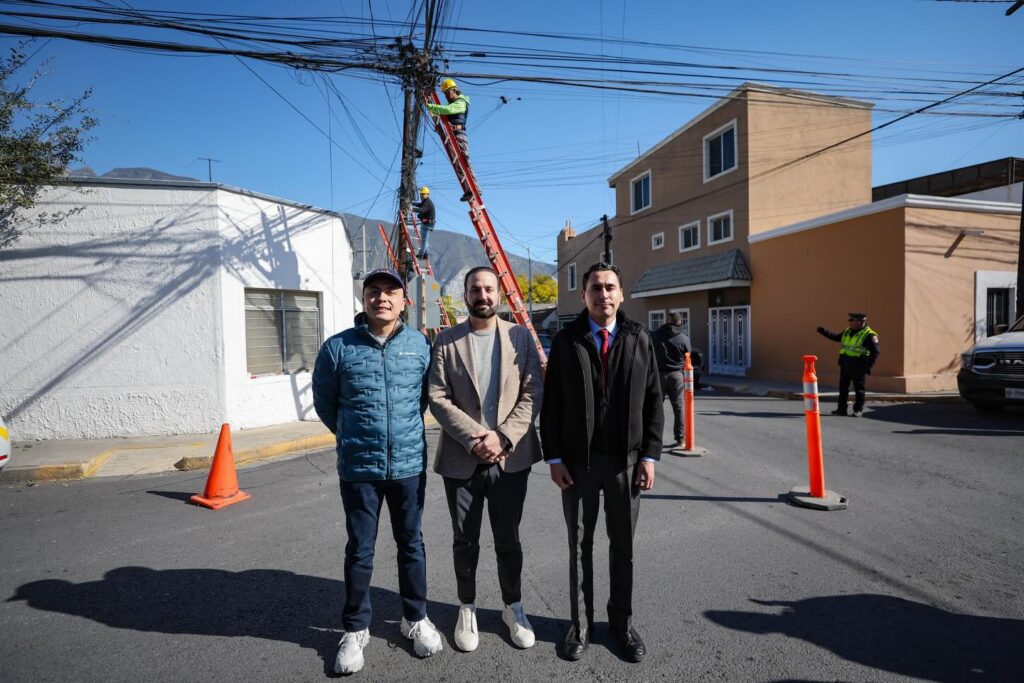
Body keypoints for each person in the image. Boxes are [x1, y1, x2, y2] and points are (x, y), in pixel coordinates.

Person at [312, 267, 442, 675]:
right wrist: (354, 435)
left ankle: (415, 618)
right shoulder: (338, 348)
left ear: (405, 300)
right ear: (363, 299)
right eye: (374, 292)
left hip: (407, 465)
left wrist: (399, 434)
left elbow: (424, 399)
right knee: (360, 550)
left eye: (391, 292)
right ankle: (355, 628)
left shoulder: (421, 346)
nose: (382, 298)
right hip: (358, 468)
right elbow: (325, 403)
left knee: (412, 545)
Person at [540, 262, 663, 664]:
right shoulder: (566, 341)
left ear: (621, 294)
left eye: (610, 287)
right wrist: (554, 457)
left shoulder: (639, 338)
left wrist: (649, 455)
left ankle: (621, 625)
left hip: (625, 466)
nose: (603, 294)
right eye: (595, 287)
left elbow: (653, 402)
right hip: (578, 466)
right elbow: (552, 405)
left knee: (622, 547)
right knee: (579, 547)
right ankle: (580, 626)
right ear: (584, 296)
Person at [428, 266, 544, 653]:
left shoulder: (520, 338)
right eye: (475, 288)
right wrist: (476, 437)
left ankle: (513, 607)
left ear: (499, 295)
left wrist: (503, 437)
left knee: (508, 539)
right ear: (465, 294)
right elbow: (437, 396)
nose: (483, 294)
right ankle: (467, 607)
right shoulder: (446, 340)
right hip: (462, 459)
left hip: (510, 458)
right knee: (465, 539)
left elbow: (532, 394)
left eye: (489, 288)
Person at [816, 313, 880, 417]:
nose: (849, 322)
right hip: (845, 363)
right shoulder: (847, 331)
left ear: (859, 322)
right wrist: (824, 332)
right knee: (843, 388)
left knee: (859, 389)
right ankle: (841, 409)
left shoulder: (869, 335)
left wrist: (868, 366)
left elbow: (875, 352)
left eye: (851, 321)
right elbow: (836, 337)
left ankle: (858, 410)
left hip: (859, 364)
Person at [426, 78, 473, 202]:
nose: (446, 96)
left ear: (454, 90)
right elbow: (444, 112)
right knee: (458, 164)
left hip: (459, 135)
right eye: (444, 94)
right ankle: (468, 190)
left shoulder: (460, 102)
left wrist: (432, 106)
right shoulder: (453, 103)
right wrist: (434, 109)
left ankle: (474, 190)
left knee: (464, 162)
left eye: (447, 93)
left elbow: (448, 110)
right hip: (454, 134)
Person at [652, 312, 693, 448]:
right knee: (678, 407)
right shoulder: (684, 339)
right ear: (680, 322)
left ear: (667, 321)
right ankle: (680, 438)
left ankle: (653, 437)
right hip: (676, 375)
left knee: (656, 407)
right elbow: (688, 355)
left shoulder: (656, 335)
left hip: (659, 374)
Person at [412, 186, 435, 259]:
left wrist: (412, 209)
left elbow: (421, 210)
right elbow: (420, 205)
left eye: (423, 194)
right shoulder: (426, 201)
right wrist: (413, 203)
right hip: (429, 224)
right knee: (425, 240)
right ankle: (426, 254)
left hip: (427, 224)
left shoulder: (427, 202)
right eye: (421, 194)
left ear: (427, 194)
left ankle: (421, 255)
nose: (421, 196)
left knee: (424, 241)